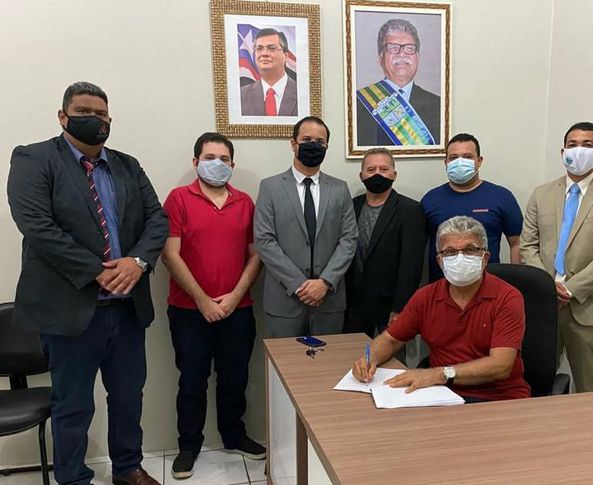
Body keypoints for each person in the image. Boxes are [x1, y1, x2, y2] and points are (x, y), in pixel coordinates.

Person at [7, 82, 168, 485]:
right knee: (73, 404)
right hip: (71, 311)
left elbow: (157, 219)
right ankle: (73, 478)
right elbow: (37, 227)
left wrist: (137, 262)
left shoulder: (128, 165)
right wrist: (97, 270)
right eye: (84, 112)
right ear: (63, 116)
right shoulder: (34, 159)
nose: (94, 120)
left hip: (126, 309)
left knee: (128, 397)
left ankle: (128, 468)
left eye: (101, 114)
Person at [161, 133, 264, 479]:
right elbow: (169, 255)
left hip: (238, 308)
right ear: (196, 162)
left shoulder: (245, 202)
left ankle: (234, 436)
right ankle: (188, 446)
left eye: (224, 159)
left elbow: (256, 256)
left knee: (235, 378)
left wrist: (234, 296)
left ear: (233, 164)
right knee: (192, 381)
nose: (217, 164)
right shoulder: (178, 199)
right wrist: (203, 300)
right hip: (189, 311)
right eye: (209, 157)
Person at [351, 216, 530, 403]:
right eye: (450, 252)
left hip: (500, 398)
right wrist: (369, 359)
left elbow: (500, 366)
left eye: (470, 250)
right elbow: (391, 339)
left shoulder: (507, 297)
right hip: (441, 395)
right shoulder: (426, 297)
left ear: (485, 258)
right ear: (440, 261)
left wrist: (439, 374)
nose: (460, 258)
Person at [520, 122, 593, 393]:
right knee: (533, 384)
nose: (579, 150)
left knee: (590, 388)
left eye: (587, 145)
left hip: (589, 308)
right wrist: (547, 288)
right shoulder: (542, 194)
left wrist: (568, 290)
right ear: (563, 152)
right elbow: (528, 246)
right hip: (543, 307)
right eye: (572, 145)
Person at [254, 116, 358, 337]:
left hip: (329, 300)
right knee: (284, 359)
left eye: (320, 142)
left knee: (328, 359)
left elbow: (349, 239)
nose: (314, 145)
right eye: (307, 139)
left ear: (327, 147)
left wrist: (325, 282)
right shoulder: (270, 187)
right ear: (293, 144)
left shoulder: (340, 189)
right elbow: (264, 241)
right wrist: (299, 285)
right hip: (284, 300)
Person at [344, 147, 426, 339]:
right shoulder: (351, 206)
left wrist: (400, 308)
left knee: (391, 357)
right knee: (352, 354)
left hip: (389, 305)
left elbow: (411, 265)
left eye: (384, 169)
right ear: (361, 176)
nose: (377, 174)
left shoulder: (410, 210)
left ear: (394, 174)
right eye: (371, 170)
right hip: (353, 303)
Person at [421, 133, 523, 282]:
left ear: (479, 161)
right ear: (446, 162)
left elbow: (517, 243)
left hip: (488, 285)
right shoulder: (430, 200)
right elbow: (417, 247)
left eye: (467, 157)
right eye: (453, 158)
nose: (460, 162)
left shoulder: (501, 197)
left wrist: (517, 282)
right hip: (441, 286)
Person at [356, 18, 440, 146]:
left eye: (409, 48)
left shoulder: (438, 105)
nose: (401, 54)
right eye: (393, 47)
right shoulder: (358, 103)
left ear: (418, 57)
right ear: (380, 57)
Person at [240, 28, 297, 116]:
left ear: (285, 56)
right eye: (259, 49)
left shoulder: (302, 93)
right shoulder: (241, 95)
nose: (264, 53)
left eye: (271, 48)